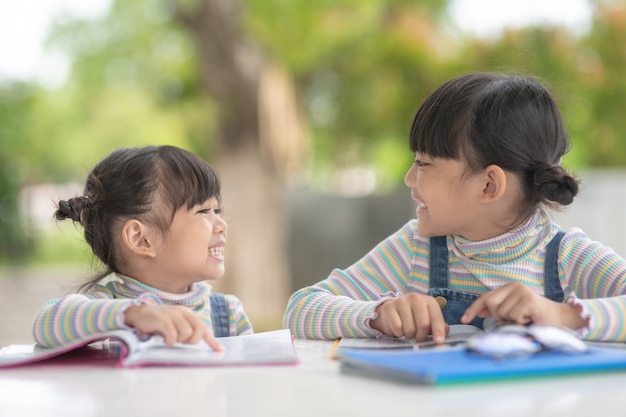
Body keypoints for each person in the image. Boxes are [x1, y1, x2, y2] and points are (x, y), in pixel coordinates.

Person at [283, 72, 626, 345]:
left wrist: (563, 316)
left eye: (424, 164)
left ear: (489, 185)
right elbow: (300, 309)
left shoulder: (565, 257)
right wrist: (377, 314)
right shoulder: (414, 248)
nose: (408, 178)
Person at [33, 145, 253, 349]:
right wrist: (132, 314)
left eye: (218, 211)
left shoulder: (228, 315)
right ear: (140, 238)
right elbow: (46, 322)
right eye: (204, 211)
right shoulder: (107, 306)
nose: (222, 225)